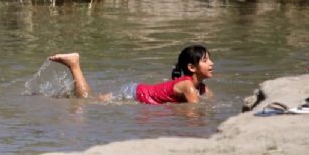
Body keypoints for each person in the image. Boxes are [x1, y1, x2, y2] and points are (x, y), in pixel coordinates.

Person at [48, 45, 214, 104]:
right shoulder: (188, 87)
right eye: (206, 61)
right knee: (87, 101)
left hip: (136, 91)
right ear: (192, 67)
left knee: (92, 99)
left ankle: (65, 91)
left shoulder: (201, 88)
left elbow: (211, 102)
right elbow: (194, 114)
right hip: (134, 94)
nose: (211, 64)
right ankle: (74, 65)